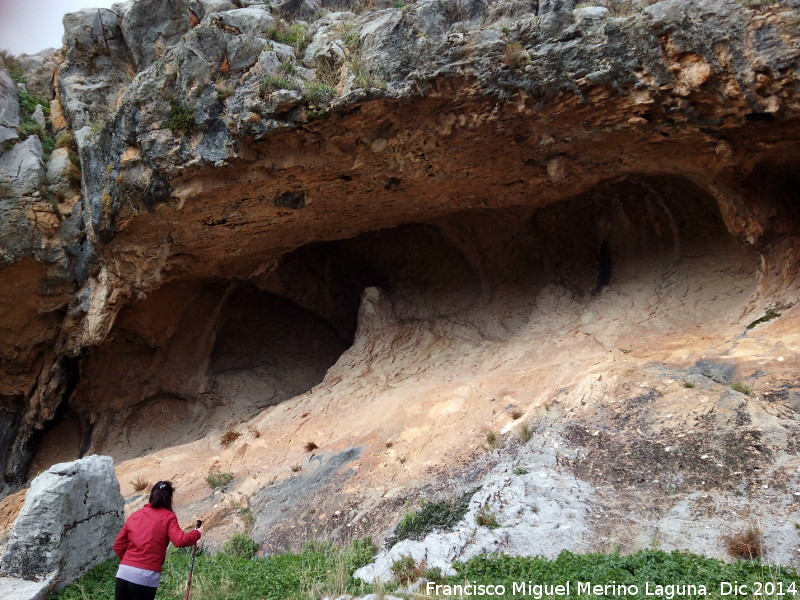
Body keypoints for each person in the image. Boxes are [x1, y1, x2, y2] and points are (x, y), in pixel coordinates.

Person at [113, 481, 202, 600]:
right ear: (169, 498)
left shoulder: (135, 515)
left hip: (124, 573)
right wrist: (196, 533)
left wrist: (130, 563)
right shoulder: (168, 516)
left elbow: (118, 545)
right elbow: (180, 540)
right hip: (146, 577)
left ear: (152, 495)